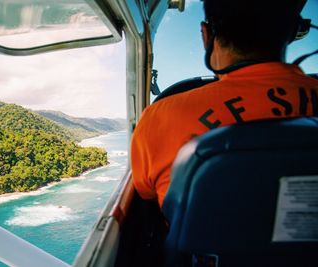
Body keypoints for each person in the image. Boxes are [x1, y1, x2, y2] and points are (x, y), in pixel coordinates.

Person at [131, 0, 318, 208]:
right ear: (293, 32)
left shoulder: (158, 119)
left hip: (199, 241)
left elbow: (145, 195)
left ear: (206, 35)